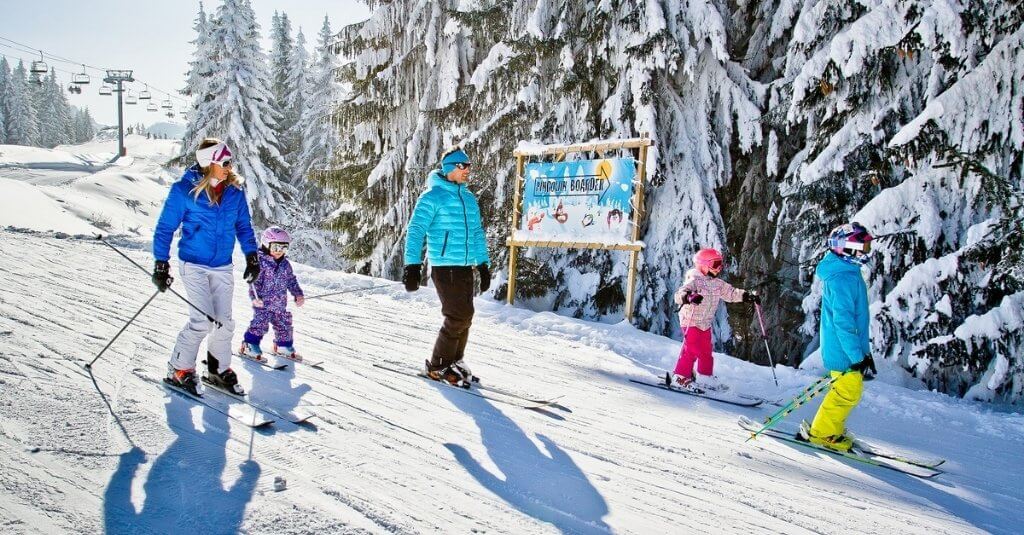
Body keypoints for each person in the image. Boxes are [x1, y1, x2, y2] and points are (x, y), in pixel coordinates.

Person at [152, 138, 260, 395]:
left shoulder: (234, 191)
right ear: (208, 163)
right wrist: (161, 263)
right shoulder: (183, 191)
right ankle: (179, 368)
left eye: (229, 161)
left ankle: (217, 369)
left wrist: (252, 256)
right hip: (194, 264)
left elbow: (243, 226)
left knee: (225, 322)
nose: (229, 166)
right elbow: (166, 228)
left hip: (222, 265)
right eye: (223, 162)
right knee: (201, 321)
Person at [403, 148, 490, 387]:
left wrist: (483, 264)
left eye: (469, 166)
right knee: (456, 316)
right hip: (444, 267)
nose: (468, 171)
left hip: (465, 266)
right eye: (464, 166)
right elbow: (415, 231)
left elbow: (477, 234)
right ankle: (438, 365)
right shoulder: (432, 197)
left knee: (466, 316)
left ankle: (455, 361)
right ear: (450, 168)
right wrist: (412, 265)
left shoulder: (469, 199)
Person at [798, 222, 877, 452]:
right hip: (843, 351)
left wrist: (864, 353)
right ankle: (822, 433)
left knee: (847, 391)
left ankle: (831, 428)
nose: (867, 252)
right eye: (864, 247)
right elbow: (844, 323)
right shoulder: (842, 279)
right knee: (846, 392)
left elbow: (853, 321)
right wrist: (856, 356)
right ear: (849, 249)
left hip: (849, 349)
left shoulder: (847, 273)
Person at [672, 248, 761, 392]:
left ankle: (704, 376)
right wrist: (689, 297)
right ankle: (680, 376)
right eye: (715, 264)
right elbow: (679, 294)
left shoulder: (718, 283)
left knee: (706, 351)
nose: (719, 268)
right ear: (703, 265)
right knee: (691, 349)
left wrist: (746, 296)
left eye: (720, 264)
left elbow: (731, 293)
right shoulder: (694, 280)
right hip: (690, 320)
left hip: (705, 323)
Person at [240, 226, 305, 361]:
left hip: (280, 304)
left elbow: (291, 280)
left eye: (284, 248)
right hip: (263, 303)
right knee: (260, 325)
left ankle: (282, 346)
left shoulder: (285, 265)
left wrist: (298, 294)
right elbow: (254, 284)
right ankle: (249, 345)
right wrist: (255, 298)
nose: (279, 252)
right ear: (266, 243)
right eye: (276, 247)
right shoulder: (259, 262)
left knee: (285, 324)